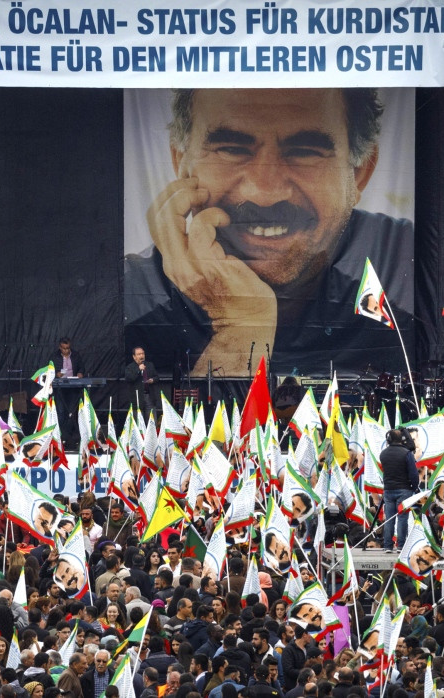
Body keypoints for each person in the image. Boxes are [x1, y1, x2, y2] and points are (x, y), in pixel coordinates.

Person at [124, 88, 413, 376]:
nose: (265, 193)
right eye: (232, 149)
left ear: (359, 173)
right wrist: (239, 327)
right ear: (182, 166)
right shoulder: (126, 304)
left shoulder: (412, 283)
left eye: (305, 152)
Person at [379, 428, 417, 550]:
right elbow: (413, 473)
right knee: (402, 518)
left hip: (388, 490)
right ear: (402, 439)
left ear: (388, 440)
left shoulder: (383, 454)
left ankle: (387, 546)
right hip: (404, 489)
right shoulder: (406, 453)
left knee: (389, 518)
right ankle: (400, 545)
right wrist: (414, 487)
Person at [123, 346, 158, 412]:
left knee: (151, 419)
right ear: (134, 357)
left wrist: (152, 380)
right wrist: (138, 369)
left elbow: (156, 377)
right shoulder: (130, 367)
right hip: (137, 398)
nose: (142, 356)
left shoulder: (150, 365)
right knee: (138, 420)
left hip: (149, 396)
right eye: (139, 354)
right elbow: (130, 378)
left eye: (143, 353)